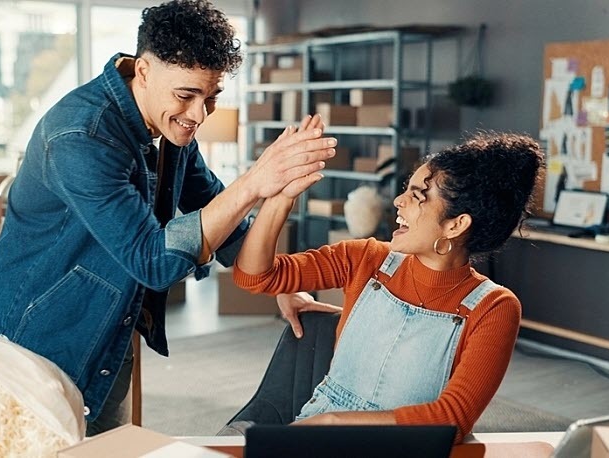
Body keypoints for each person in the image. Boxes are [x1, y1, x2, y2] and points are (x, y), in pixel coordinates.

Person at [0, 0, 338, 437]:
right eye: (186, 95)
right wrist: (254, 183)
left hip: (110, 325)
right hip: (39, 335)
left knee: (106, 447)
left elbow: (217, 214)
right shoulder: (80, 137)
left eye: (211, 97)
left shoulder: (170, 126)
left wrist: (284, 286)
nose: (198, 115)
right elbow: (153, 261)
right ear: (143, 71)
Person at [233, 132, 545, 443]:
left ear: (455, 225)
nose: (399, 201)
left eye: (418, 195)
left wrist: (332, 421)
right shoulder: (366, 258)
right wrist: (281, 198)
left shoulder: (494, 307)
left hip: (405, 448)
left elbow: (452, 419)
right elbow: (256, 276)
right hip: (316, 437)